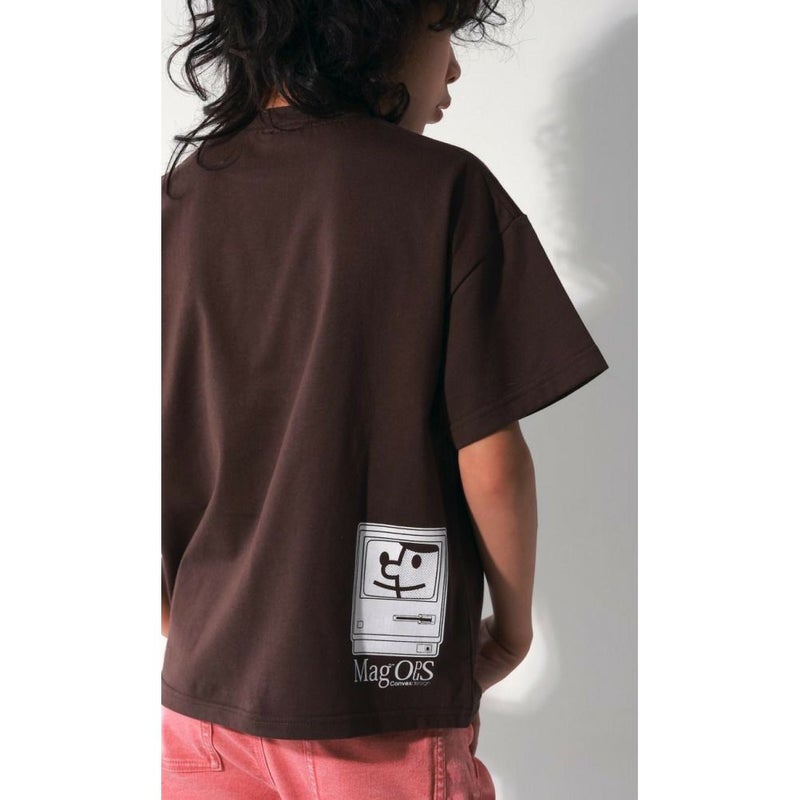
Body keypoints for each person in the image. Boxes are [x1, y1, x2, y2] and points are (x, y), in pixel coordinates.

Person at [161, 1, 609, 797]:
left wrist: (180, 615)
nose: (455, 67)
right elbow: (493, 463)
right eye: (444, 32)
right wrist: (512, 630)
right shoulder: (444, 191)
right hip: (380, 706)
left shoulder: (177, 201)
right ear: (373, 25)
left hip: (205, 707)